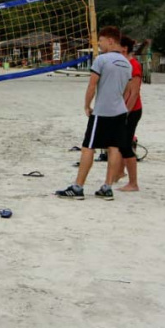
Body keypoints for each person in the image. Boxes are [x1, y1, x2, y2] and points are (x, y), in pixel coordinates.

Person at [56, 26, 131, 201]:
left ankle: (78, 187)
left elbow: (92, 85)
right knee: (114, 147)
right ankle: (107, 187)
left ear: (110, 41)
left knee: (88, 146)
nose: (100, 45)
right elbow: (126, 90)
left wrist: (87, 105)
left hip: (102, 111)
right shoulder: (127, 63)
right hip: (119, 111)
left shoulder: (102, 60)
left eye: (101, 41)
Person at [115, 35, 143, 192]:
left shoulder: (134, 65)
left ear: (124, 49)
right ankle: (119, 172)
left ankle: (133, 184)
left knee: (125, 145)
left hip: (133, 110)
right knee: (120, 142)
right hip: (125, 108)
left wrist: (125, 113)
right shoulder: (125, 64)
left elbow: (134, 93)